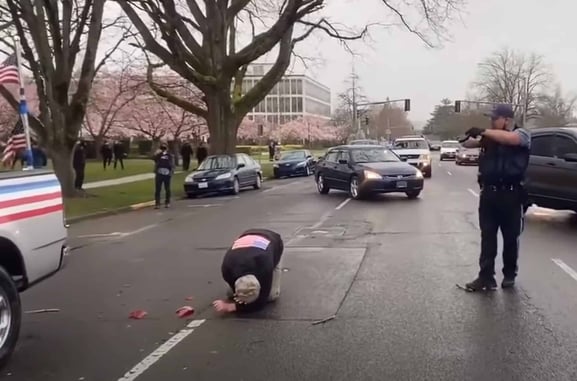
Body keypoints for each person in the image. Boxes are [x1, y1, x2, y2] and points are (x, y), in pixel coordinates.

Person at [460, 104, 531, 291]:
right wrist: (469, 139)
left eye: (495, 118)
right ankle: (486, 277)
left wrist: (484, 132)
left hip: (511, 194)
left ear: (507, 120)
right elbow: (468, 144)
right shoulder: (490, 138)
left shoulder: (522, 134)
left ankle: (509, 275)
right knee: (488, 237)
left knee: (510, 238)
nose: (491, 121)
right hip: (489, 194)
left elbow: (512, 139)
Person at [212, 229, 284, 314]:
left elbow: (261, 302)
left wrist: (233, 307)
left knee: (271, 296)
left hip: (274, 242)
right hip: (248, 235)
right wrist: (241, 301)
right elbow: (238, 293)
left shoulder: (265, 267)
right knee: (230, 294)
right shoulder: (227, 270)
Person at [153, 143, 174, 209]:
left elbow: (171, 164)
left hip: (167, 173)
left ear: (167, 148)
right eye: (162, 148)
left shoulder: (169, 155)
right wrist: (156, 153)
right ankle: (157, 203)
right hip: (159, 173)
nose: (163, 150)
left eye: (164, 148)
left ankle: (167, 202)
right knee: (158, 189)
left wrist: (171, 171)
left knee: (167, 189)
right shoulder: (158, 155)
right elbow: (154, 159)